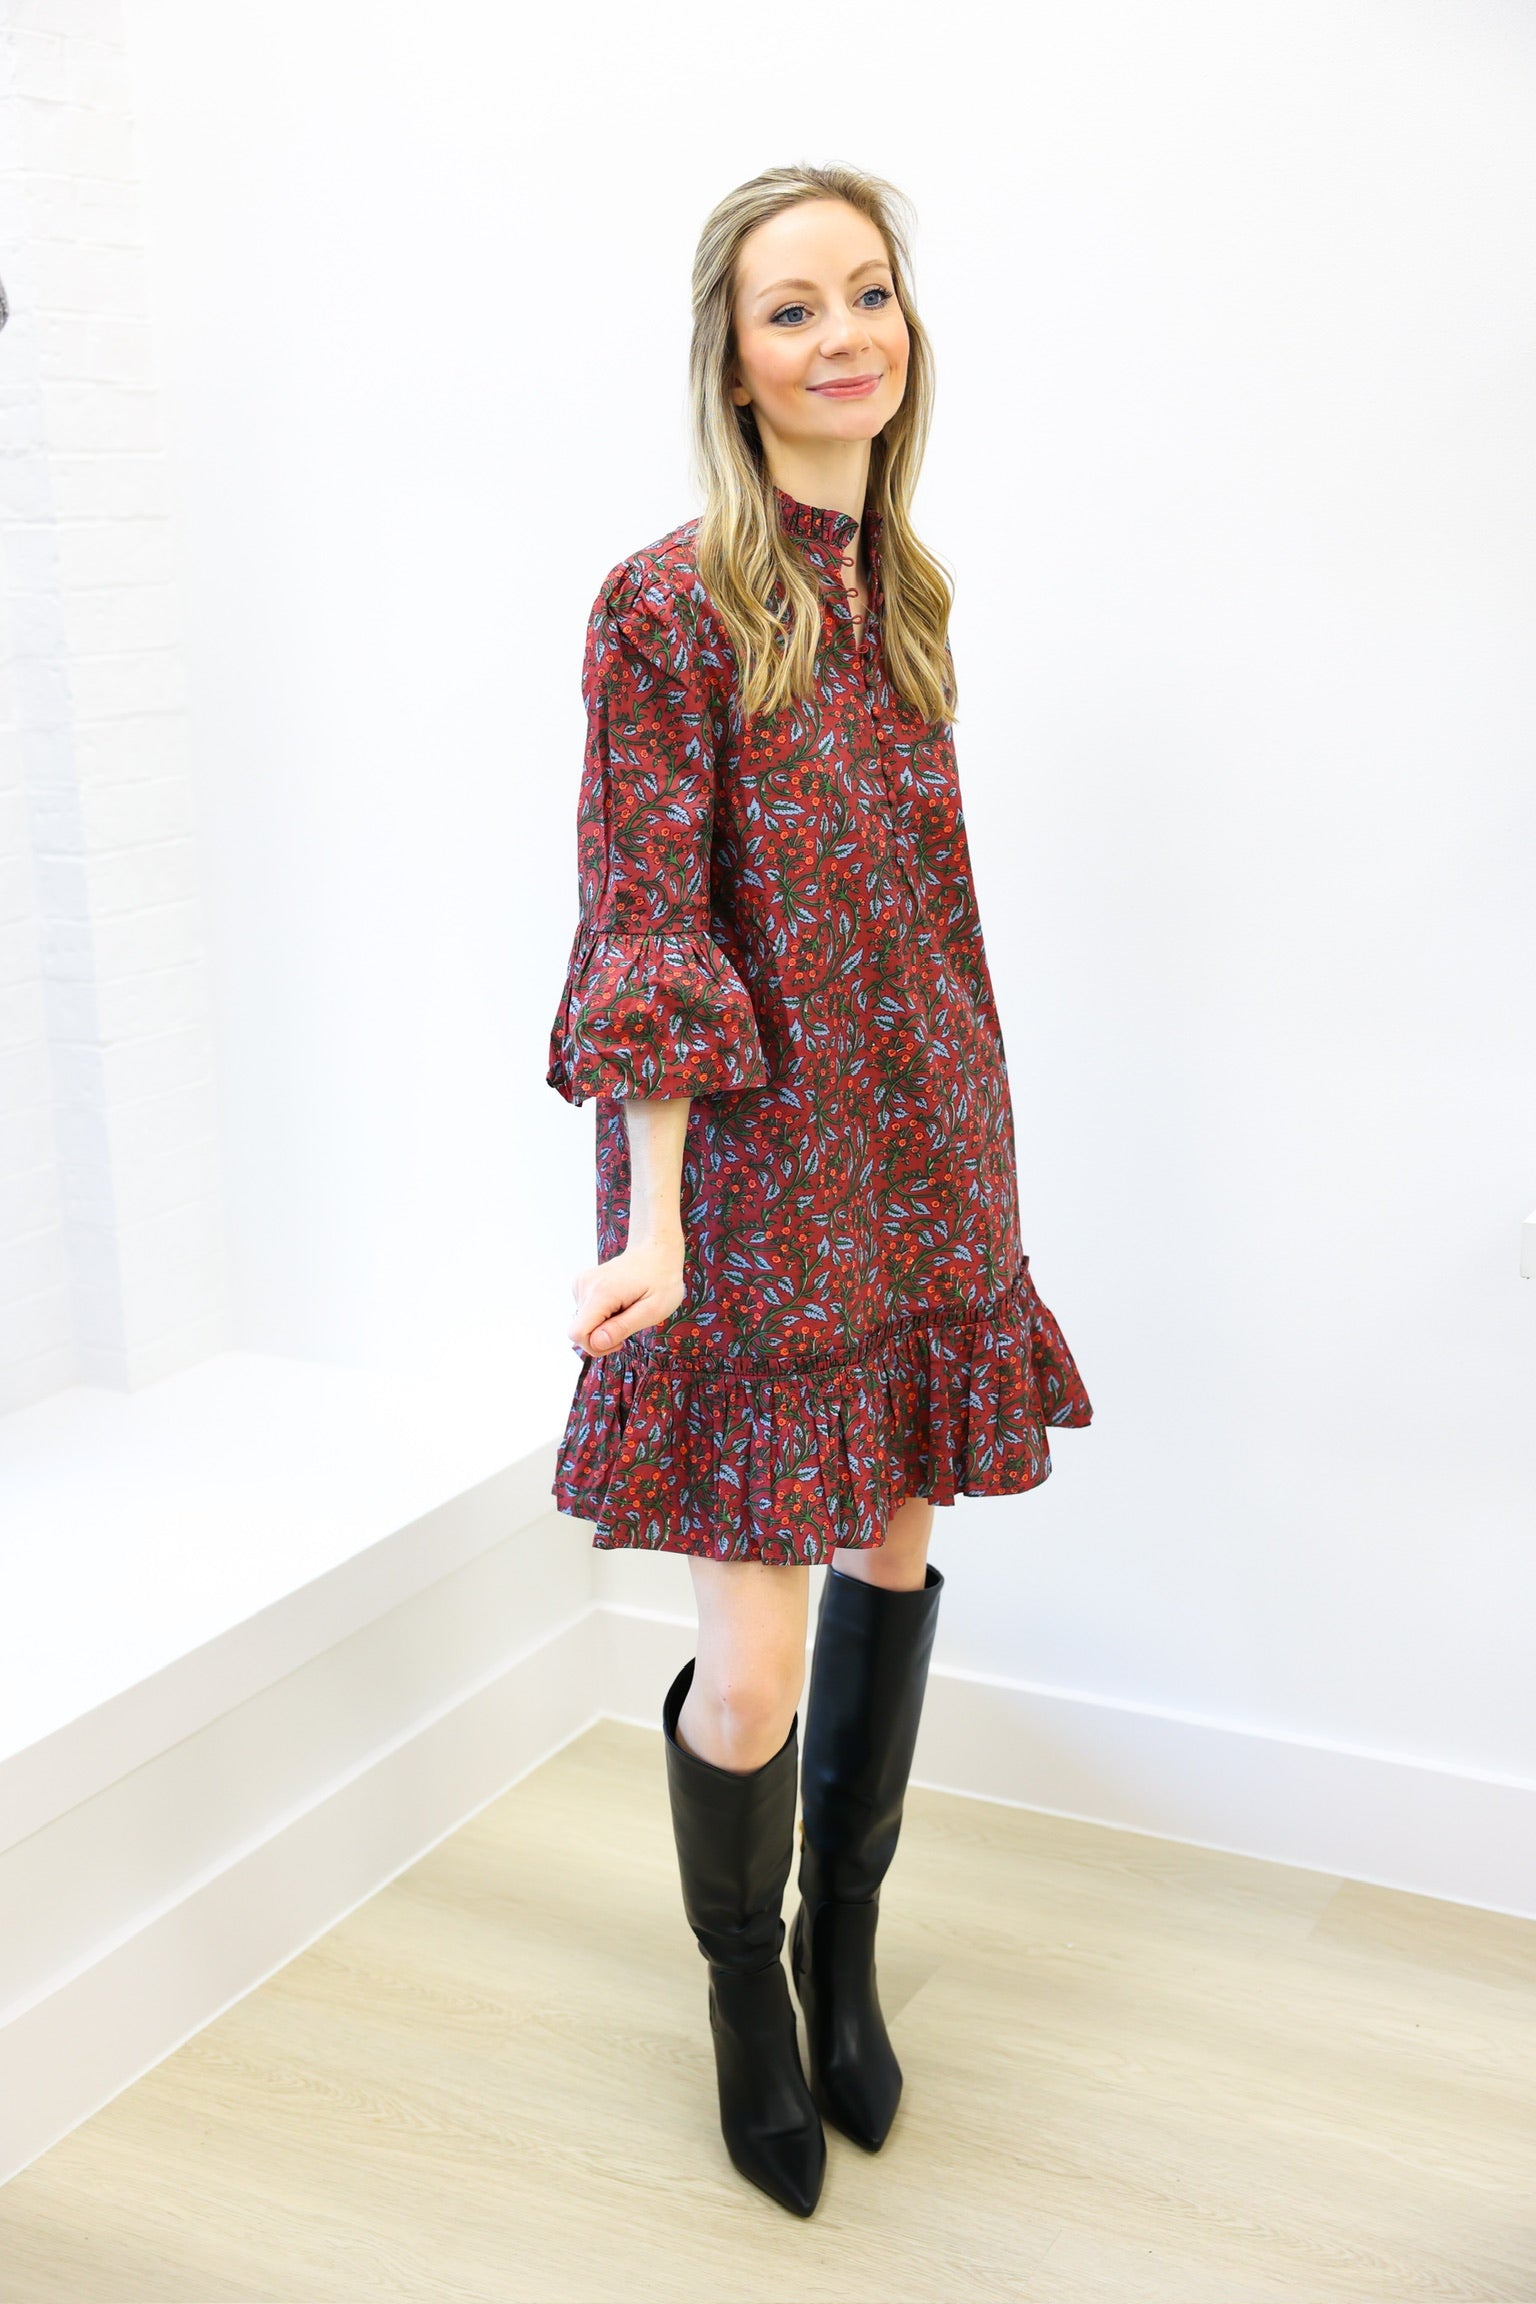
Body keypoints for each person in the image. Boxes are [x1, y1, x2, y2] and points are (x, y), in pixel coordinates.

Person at [545, 163, 1093, 2218]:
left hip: (929, 1158)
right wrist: (659, 1224)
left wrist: (980, 1177)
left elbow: (929, 928)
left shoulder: (902, 591)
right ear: (733, 352)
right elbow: (644, 923)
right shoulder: (668, 603)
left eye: (871, 293)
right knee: (754, 1667)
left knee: (891, 1574)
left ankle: (848, 1951)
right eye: (795, 308)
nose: (846, 333)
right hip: (755, 1192)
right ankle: (745, 1997)